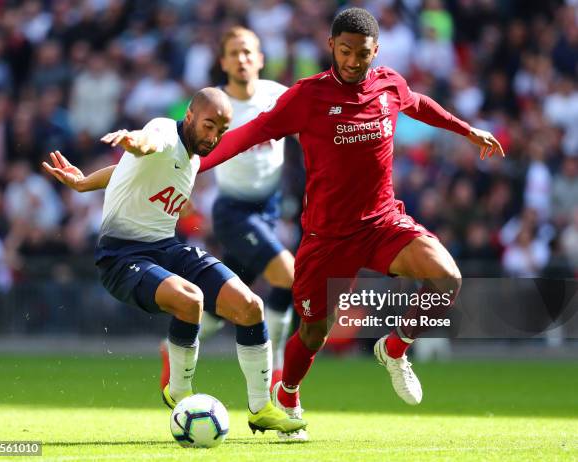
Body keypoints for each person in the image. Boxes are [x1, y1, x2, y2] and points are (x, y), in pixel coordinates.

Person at [197, 8, 505, 435]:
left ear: (375, 50)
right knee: (314, 332)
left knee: (447, 279)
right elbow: (254, 132)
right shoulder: (308, 97)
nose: (353, 61)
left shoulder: (388, 83)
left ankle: (394, 349)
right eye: (345, 51)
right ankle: (287, 394)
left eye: (362, 53)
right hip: (327, 237)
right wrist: (196, 162)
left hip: (382, 223)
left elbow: (418, 104)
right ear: (331, 47)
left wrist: (467, 130)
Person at [42, 87, 306, 436]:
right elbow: (147, 144)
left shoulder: (194, 156)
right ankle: (179, 392)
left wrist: (84, 183)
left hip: (165, 247)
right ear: (190, 116)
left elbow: (126, 169)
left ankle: (261, 409)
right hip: (120, 255)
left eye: (221, 131)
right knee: (191, 300)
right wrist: (134, 140)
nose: (214, 137)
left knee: (250, 306)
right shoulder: (165, 132)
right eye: (209, 125)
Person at [185, 26, 296, 396]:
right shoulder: (217, 106)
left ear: (261, 58)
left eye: (248, 51)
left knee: (220, 307)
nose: (242, 58)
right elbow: (191, 148)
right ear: (223, 61)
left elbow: (309, 134)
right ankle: (278, 370)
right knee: (287, 274)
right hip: (233, 212)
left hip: (270, 209)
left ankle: (176, 348)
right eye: (234, 52)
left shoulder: (279, 96)